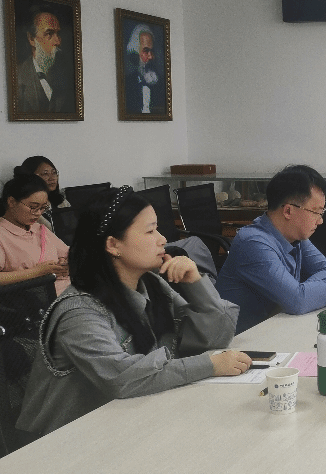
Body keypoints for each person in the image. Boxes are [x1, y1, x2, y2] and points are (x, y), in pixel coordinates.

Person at [16, 186, 247, 437]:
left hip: (128, 422)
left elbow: (214, 338)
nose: (162, 239)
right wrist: (209, 366)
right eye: (150, 231)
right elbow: (122, 378)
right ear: (113, 245)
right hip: (64, 442)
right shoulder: (79, 311)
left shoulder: (150, 284)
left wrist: (196, 283)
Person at [216, 165, 326, 333]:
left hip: (274, 330)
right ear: (288, 211)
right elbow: (298, 301)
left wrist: (303, 292)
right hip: (239, 341)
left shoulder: (295, 235)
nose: (320, 221)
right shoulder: (253, 243)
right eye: (316, 212)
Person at [0, 167, 71, 294]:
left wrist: (65, 263)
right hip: (39, 299)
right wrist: (37, 272)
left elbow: (68, 253)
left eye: (43, 208)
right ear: (11, 202)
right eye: (33, 207)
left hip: (67, 289)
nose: (38, 213)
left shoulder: (39, 229)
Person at [15, 7, 75, 113]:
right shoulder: (18, 77)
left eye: (58, 34)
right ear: (31, 39)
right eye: (49, 34)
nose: (57, 41)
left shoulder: (68, 75)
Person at [124, 23, 166, 115]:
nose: (151, 56)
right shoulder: (127, 85)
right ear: (135, 52)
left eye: (152, 51)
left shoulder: (162, 86)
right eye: (146, 51)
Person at [21, 155, 70, 231]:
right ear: (31, 177)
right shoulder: (26, 207)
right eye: (45, 174)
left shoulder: (61, 200)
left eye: (54, 173)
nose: (52, 178)